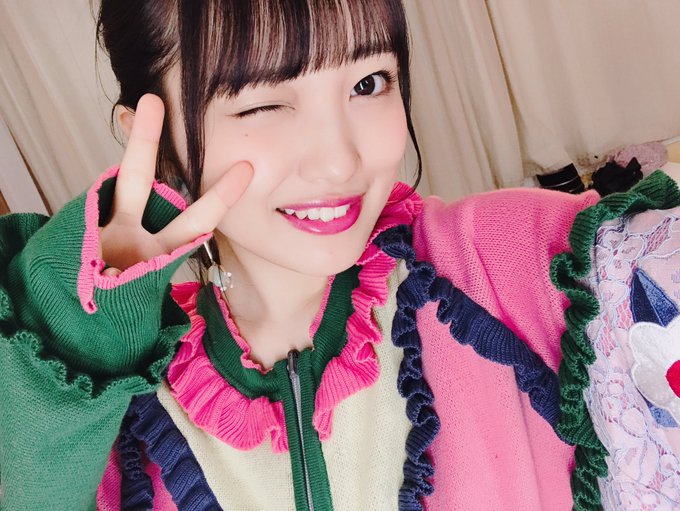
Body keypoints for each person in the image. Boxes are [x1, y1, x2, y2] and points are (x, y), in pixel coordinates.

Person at [0, 1, 678, 510]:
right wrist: (85, 327)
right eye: (264, 104)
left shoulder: (517, 262)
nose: (340, 160)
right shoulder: (115, 423)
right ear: (154, 138)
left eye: (368, 83)